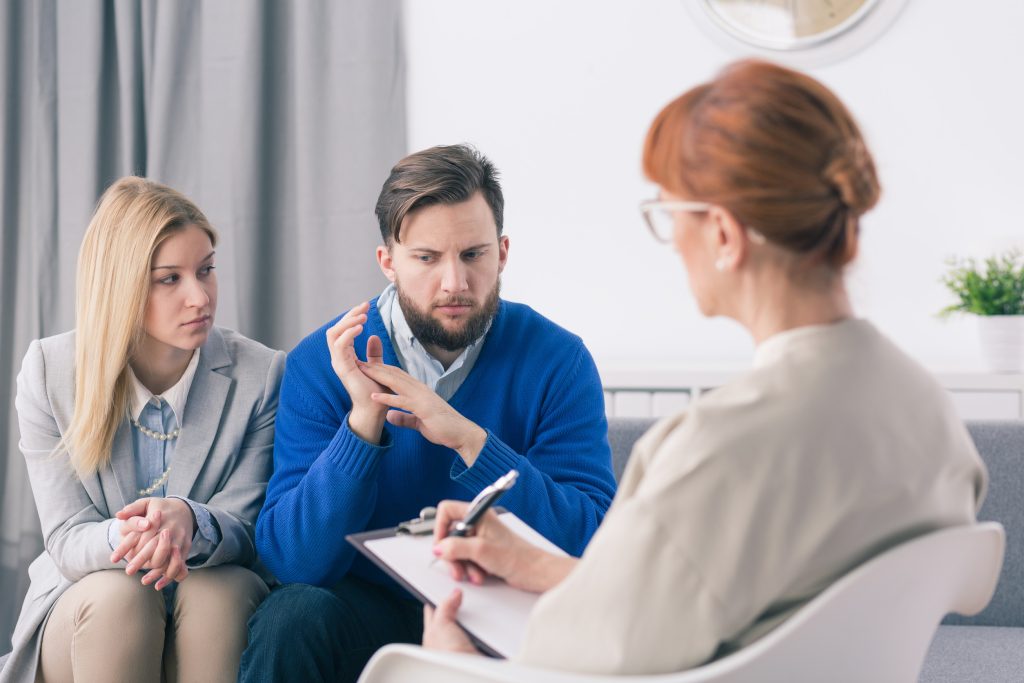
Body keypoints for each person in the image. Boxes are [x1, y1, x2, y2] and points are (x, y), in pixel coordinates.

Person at [422, 60, 989, 675]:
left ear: (722, 233)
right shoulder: (923, 408)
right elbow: (727, 600)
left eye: (670, 213)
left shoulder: (716, 448)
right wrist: (550, 569)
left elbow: (575, 665)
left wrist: (449, 665)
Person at [239, 144, 618, 682]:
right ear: (387, 261)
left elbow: (588, 545)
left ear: (503, 252)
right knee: (292, 619)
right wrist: (361, 428)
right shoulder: (322, 363)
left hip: (509, 618)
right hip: (365, 613)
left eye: (473, 254)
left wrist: (471, 441)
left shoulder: (559, 360)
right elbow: (294, 562)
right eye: (427, 258)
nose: (454, 284)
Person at [3, 177, 284, 683]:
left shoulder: (261, 375)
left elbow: (249, 528)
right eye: (169, 279)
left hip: (207, 591)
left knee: (218, 592)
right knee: (122, 595)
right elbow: (66, 537)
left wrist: (191, 523)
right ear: (121, 283)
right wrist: (136, 534)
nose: (200, 297)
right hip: (89, 605)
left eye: (206, 270)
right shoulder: (50, 372)